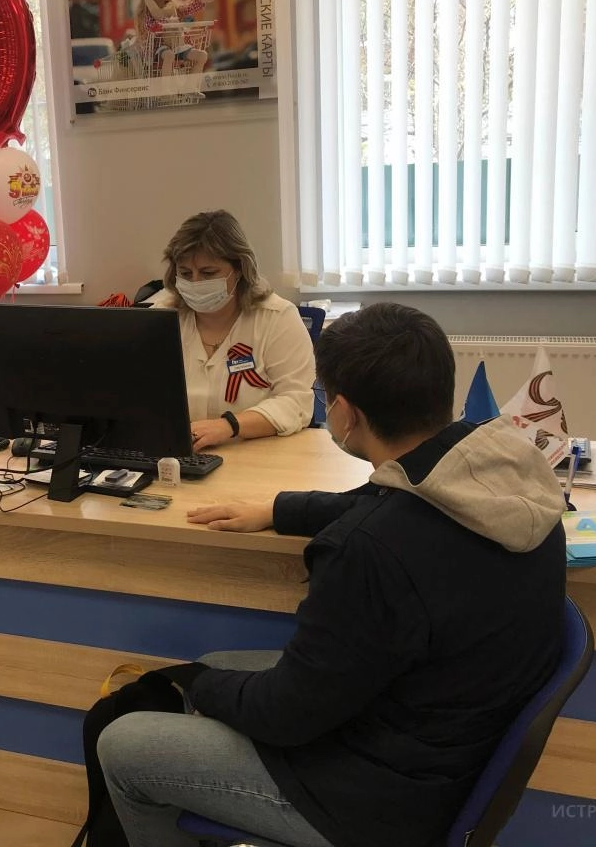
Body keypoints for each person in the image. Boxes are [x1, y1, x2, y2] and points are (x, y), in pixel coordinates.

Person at [97, 302, 568, 847]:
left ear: (343, 413)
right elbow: (377, 500)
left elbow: (284, 716)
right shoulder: (508, 482)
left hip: (375, 798)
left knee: (124, 744)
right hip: (450, 746)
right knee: (221, 666)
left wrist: (196, 684)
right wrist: (278, 509)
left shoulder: (370, 551)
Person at [158, 210, 314, 449]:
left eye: (208, 273)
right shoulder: (162, 319)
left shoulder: (277, 318)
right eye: (185, 274)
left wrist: (229, 426)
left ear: (240, 269)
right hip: (180, 454)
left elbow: (296, 402)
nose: (195, 283)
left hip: (256, 453)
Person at [135, 0, 214, 80]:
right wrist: (165, 22)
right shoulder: (148, 11)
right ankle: (166, 88)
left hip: (179, 46)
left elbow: (187, 8)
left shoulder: (173, 7)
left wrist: (202, 0)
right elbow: (148, 26)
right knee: (169, 55)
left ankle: (191, 87)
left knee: (202, 56)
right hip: (158, 49)